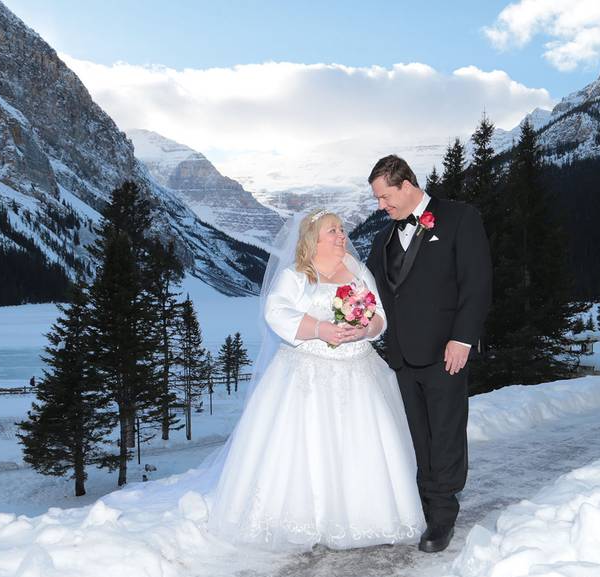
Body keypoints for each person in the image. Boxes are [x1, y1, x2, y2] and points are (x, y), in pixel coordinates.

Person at [206, 209, 425, 550]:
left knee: (361, 444)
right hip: (307, 373)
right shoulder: (296, 276)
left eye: (341, 230)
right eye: (333, 232)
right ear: (314, 240)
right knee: (305, 446)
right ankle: (306, 522)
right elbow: (275, 312)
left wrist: (368, 328)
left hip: (358, 372)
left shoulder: (356, 269)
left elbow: (380, 313)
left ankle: (368, 516)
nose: (342, 236)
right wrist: (320, 329)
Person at [366, 155, 492, 553]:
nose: (381, 206)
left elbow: (478, 282)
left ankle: (442, 517)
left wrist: (463, 338)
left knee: (446, 434)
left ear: (406, 185)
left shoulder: (459, 218)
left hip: (445, 351)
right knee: (419, 436)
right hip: (402, 356)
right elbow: (375, 292)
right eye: (377, 199)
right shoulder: (382, 239)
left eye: (385, 197)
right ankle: (425, 504)